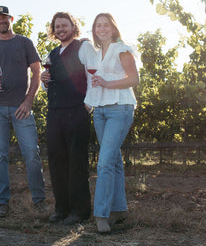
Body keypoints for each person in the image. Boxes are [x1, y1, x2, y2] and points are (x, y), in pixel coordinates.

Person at [0, 6, 47, 217]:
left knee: (32, 154)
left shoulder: (24, 42)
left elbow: (37, 73)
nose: (1, 20)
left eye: (4, 17)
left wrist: (28, 101)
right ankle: (2, 202)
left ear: (11, 19)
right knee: (0, 156)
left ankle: (39, 200)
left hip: (21, 107)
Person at [84, 13, 139, 233]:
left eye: (106, 25)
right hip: (101, 111)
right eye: (98, 25)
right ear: (94, 30)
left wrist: (107, 83)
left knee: (104, 162)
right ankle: (119, 210)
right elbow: (95, 83)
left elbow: (134, 79)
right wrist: (89, 102)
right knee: (114, 160)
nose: (102, 28)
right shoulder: (97, 55)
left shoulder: (121, 49)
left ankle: (101, 215)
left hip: (120, 108)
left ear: (113, 28)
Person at [40, 12, 96, 225]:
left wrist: (87, 106)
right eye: (57, 26)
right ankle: (61, 209)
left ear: (73, 26)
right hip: (55, 113)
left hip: (76, 111)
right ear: (54, 31)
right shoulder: (53, 53)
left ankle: (80, 211)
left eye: (64, 25)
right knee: (57, 161)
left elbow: (92, 76)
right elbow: (49, 86)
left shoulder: (84, 47)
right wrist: (45, 81)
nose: (61, 29)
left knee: (77, 162)